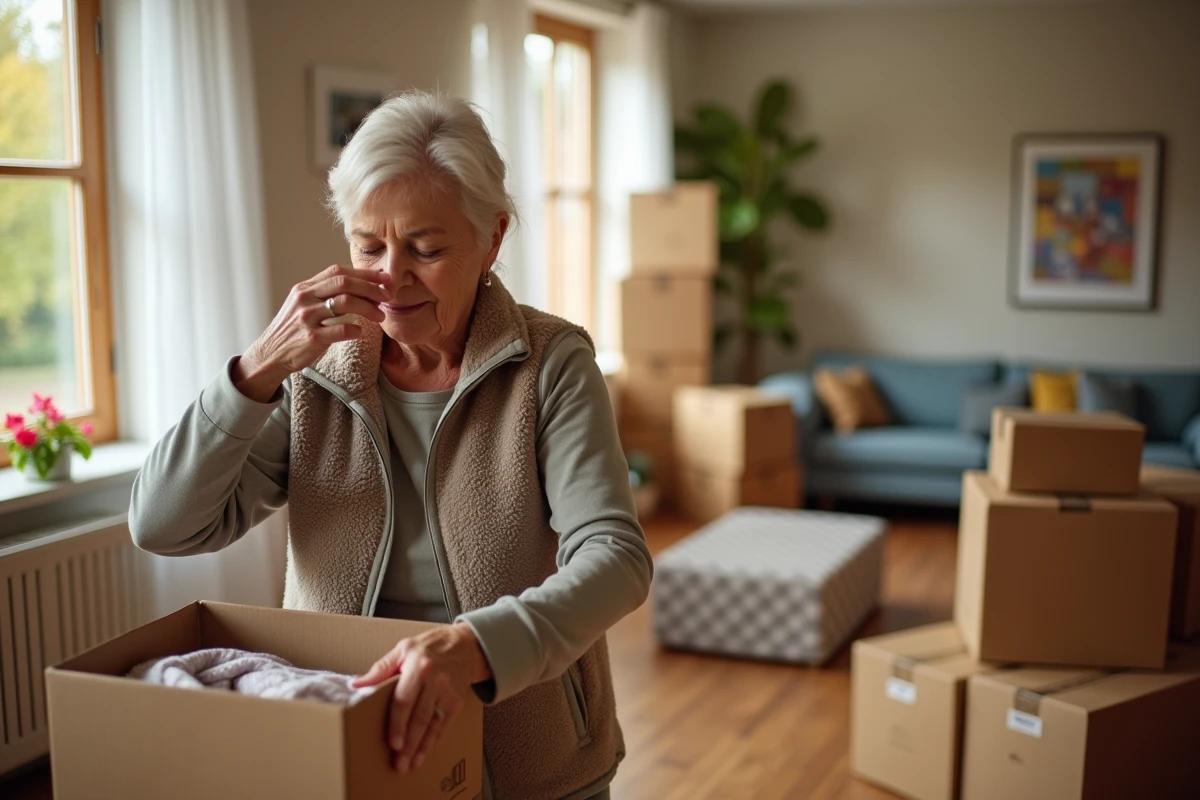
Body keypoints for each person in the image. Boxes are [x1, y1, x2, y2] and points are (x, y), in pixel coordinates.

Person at [129, 90, 652, 800]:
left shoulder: (551, 364)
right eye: (367, 245)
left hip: (527, 751)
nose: (391, 277)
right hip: (346, 738)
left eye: (426, 248)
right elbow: (163, 526)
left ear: (492, 239)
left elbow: (615, 559)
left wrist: (471, 648)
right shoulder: (313, 374)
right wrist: (253, 373)